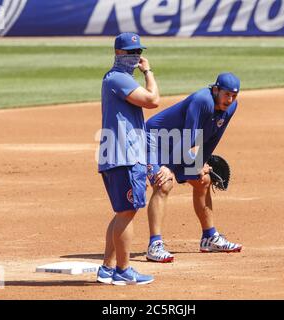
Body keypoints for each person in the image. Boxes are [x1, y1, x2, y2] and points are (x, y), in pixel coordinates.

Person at [145, 72, 243, 263]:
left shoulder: (231, 107)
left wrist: (202, 162)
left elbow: (213, 137)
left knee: (203, 180)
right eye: (226, 94)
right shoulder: (202, 101)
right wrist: (170, 168)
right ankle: (154, 245)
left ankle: (209, 237)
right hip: (156, 139)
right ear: (215, 90)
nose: (229, 99)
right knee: (164, 183)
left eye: (234, 95)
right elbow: (189, 138)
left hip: (179, 142)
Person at [95, 33, 167, 285]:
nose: (136, 57)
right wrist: (149, 73)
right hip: (123, 156)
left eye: (139, 52)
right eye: (131, 52)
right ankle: (123, 271)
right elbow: (153, 100)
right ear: (118, 54)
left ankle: (107, 268)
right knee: (127, 212)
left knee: (122, 212)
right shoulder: (118, 79)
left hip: (122, 155)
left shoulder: (119, 79)